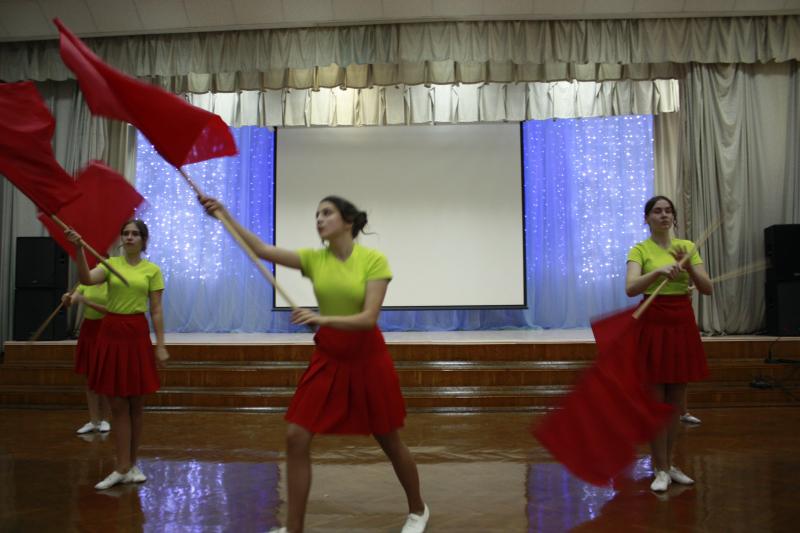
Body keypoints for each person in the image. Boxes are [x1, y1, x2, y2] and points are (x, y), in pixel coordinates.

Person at [200, 194, 429, 533]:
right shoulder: (314, 259)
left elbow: (368, 318)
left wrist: (321, 319)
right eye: (317, 214)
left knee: (389, 440)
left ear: (347, 221)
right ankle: (294, 528)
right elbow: (260, 250)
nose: (319, 219)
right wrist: (224, 214)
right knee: (296, 436)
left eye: (327, 213)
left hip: (367, 359)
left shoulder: (373, 261)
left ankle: (418, 509)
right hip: (329, 357)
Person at [66, 220, 169, 490]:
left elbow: (156, 310)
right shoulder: (109, 264)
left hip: (136, 335)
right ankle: (122, 466)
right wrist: (79, 249)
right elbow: (86, 280)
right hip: (111, 334)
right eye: (125, 233)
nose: (129, 237)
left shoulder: (152, 270)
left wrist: (160, 344)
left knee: (136, 405)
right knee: (118, 405)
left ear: (144, 240)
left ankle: (131, 465)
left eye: (135, 234)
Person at [625, 195, 713, 492]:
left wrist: (688, 268)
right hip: (653, 323)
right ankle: (659, 467)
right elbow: (630, 288)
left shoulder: (686, 247)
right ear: (647, 218)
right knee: (656, 401)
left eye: (668, 211)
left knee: (676, 401)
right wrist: (658, 272)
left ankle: (669, 464)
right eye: (657, 211)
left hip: (681, 323)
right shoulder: (640, 250)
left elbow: (707, 288)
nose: (664, 215)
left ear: (674, 217)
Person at [62, 283, 111, 435]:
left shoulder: (112, 283)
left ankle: (106, 420)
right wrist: (67, 299)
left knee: (104, 375)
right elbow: (72, 300)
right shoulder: (84, 284)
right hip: (88, 330)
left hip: (106, 329)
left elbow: (110, 310)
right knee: (89, 377)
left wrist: (87, 302)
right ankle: (94, 420)